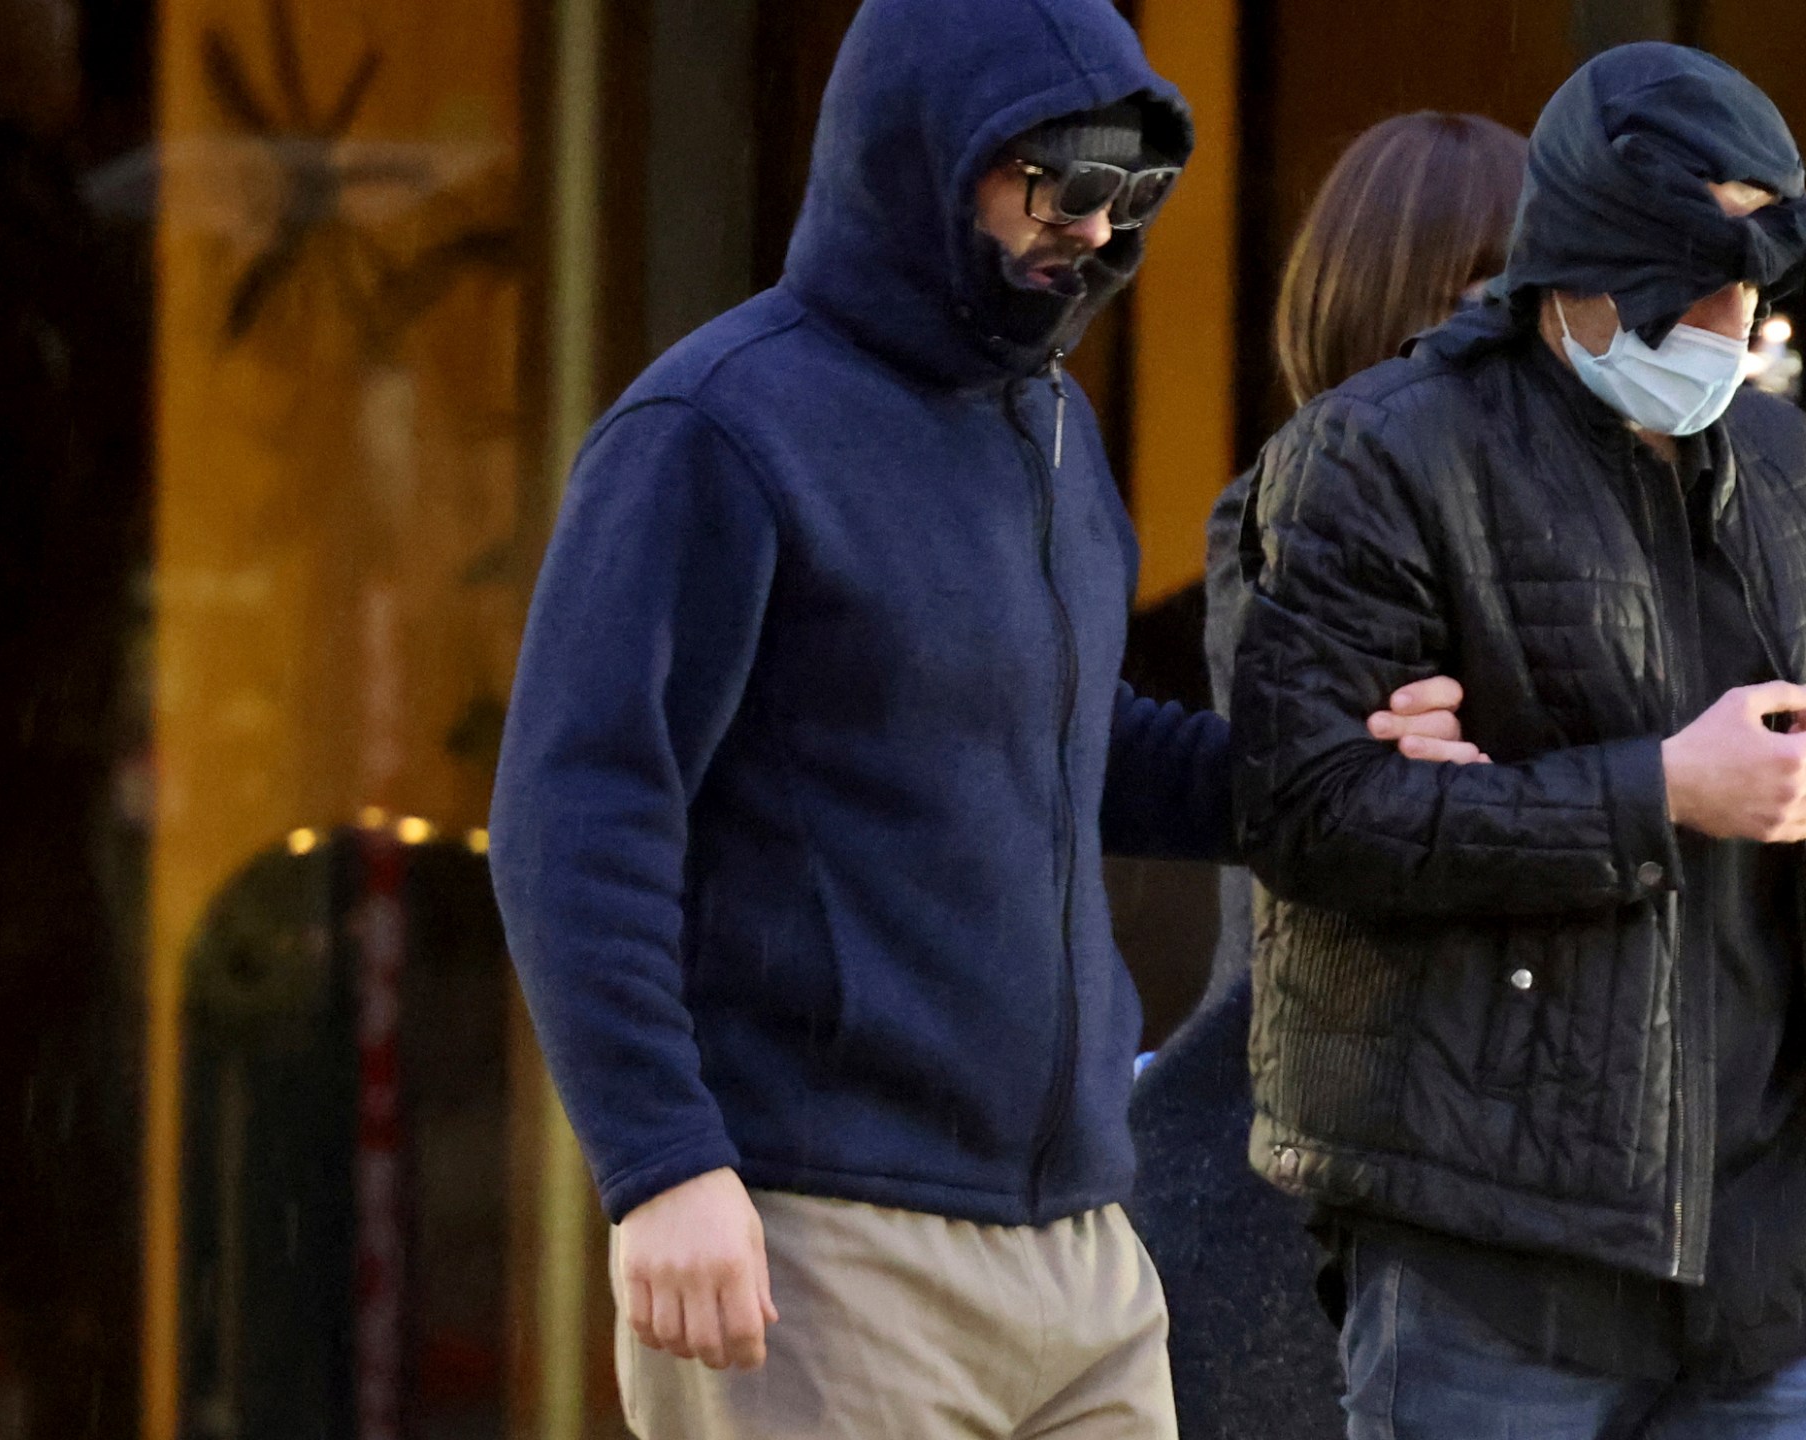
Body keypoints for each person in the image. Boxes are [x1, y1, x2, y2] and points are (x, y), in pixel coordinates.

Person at [488, 0, 1467, 1434]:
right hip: (822, 1244)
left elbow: (1087, 749)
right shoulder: (715, 429)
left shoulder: (1050, 432)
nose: (1096, 229)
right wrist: (662, 1165)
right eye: (1058, 181)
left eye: (1131, 194)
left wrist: (1331, 771)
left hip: (1082, 1253)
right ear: (926, 156)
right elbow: (576, 813)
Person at [1229, 44, 1806, 1440]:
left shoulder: (1803, 479)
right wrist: (1659, 790)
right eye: (1689, 275)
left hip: (1783, 1281)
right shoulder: (1383, 455)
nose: (1727, 318)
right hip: (1495, 1272)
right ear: (1577, 257)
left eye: (1755, 281)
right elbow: (1306, 817)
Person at [1127, 111, 1525, 1440]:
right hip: (1279, 1206)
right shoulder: (1288, 511)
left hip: (1501, 1207)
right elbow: (1387, 796)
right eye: (1480, 296)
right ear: (1380, 308)